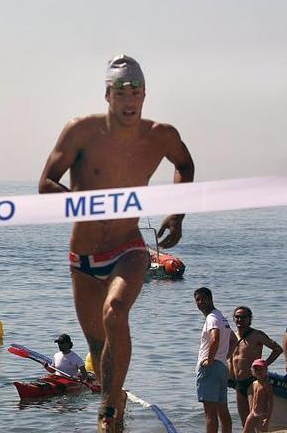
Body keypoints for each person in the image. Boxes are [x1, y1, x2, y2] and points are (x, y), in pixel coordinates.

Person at [39, 54, 195, 431]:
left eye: (136, 91)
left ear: (145, 96)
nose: (129, 98)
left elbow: (185, 165)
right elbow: (45, 184)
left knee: (115, 312)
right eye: (121, 91)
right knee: (96, 349)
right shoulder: (80, 132)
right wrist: (86, 205)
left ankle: (108, 409)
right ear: (107, 95)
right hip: (84, 257)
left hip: (128, 247)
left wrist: (176, 213)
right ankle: (117, 399)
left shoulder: (160, 135)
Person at [230, 306, 283, 425]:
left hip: (253, 381)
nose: (240, 320)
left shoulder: (257, 335)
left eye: (243, 317)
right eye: (237, 317)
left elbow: (278, 349)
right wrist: (229, 376)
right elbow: (230, 358)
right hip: (238, 382)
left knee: (255, 418)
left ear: (250, 319)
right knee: (244, 421)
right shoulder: (233, 336)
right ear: (234, 319)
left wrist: (264, 365)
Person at [195, 287, 234, 433]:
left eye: (202, 299)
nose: (200, 302)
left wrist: (210, 360)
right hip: (222, 367)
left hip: (211, 369)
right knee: (222, 410)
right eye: (197, 300)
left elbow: (215, 338)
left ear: (210, 299)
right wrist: (224, 357)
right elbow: (234, 341)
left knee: (210, 413)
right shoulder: (221, 317)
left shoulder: (212, 317)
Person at [243, 359, 273, 433]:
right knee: (245, 430)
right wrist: (251, 411)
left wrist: (267, 419)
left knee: (262, 431)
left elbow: (271, 403)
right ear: (253, 371)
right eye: (256, 370)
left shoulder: (267, 385)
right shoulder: (254, 384)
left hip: (262, 413)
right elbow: (253, 398)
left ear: (265, 370)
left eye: (261, 369)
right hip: (253, 413)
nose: (259, 372)